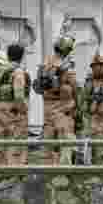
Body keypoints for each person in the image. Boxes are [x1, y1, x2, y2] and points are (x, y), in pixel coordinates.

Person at [36, 36, 78, 165]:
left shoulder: (45, 64)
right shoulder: (66, 66)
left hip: (48, 109)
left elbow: (38, 87)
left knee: (49, 143)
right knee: (66, 144)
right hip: (63, 109)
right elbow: (75, 86)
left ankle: (48, 172)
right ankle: (63, 176)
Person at [0, 44, 30, 166]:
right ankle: (14, 173)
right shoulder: (18, 72)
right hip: (13, 111)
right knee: (16, 143)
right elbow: (18, 95)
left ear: (8, 55)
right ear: (22, 56)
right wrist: (24, 109)